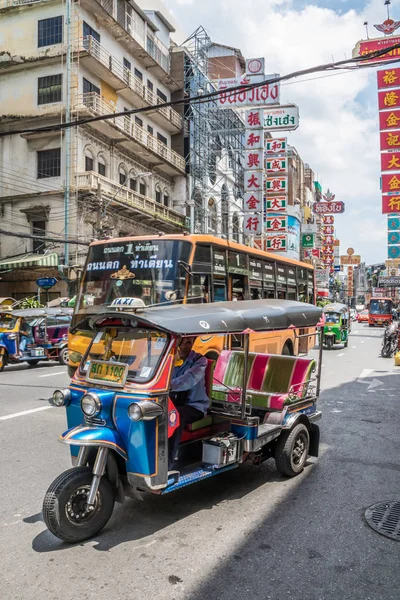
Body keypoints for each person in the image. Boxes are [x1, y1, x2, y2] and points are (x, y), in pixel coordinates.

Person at [168, 336, 209, 470]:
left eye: (188, 342)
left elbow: (189, 379)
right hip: (172, 402)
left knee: (174, 416)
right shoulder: (170, 359)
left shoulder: (200, 361)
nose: (184, 346)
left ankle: (167, 464)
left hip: (195, 406)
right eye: (181, 342)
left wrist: (166, 386)